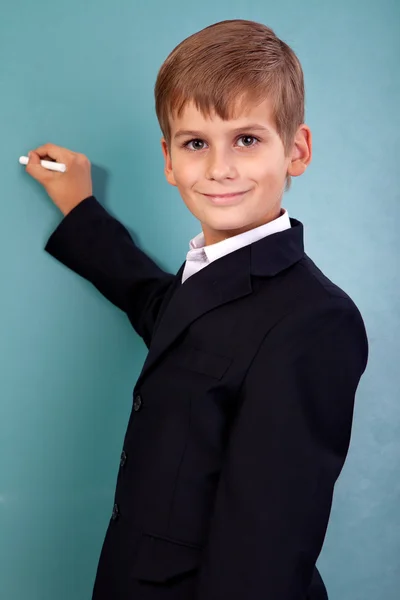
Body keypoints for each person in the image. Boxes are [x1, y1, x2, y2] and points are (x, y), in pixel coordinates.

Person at [25, 19, 368, 600]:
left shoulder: (316, 321)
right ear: (168, 159)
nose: (219, 168)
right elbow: (154, 302)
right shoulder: (203, 284)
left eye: (248, 139)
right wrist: (79, 208)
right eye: (195, 143)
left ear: (298, 150)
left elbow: (264, 552)